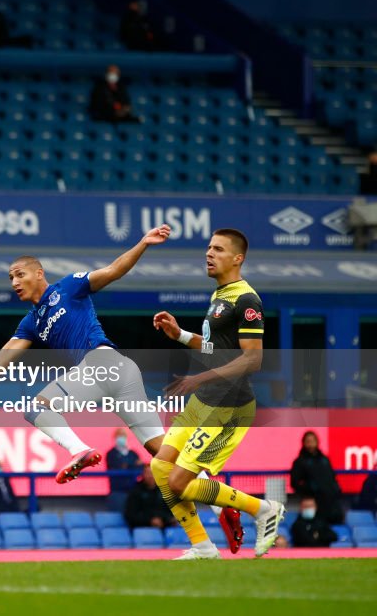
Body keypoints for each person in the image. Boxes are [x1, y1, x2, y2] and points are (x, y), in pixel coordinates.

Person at [0, 225, 172, 484]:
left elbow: (113, 271)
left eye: (20, 275)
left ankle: (79, 450)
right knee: (164, 452)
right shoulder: (30, 324)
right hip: (117, 374)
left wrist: (143, 243)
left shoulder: (68, 286)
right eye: (11, 278)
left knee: (35, 408)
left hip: (104, 364)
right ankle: (220, 500)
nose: (15, 283)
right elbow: (0, 363)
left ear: (39, 273)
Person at [151, 228, 285, 560]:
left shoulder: (247, 300)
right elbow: (215, 348)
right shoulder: (220, 296)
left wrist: (201, 378)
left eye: (219, 249)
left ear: (237, 258)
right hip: (205, 398)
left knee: (180, 481)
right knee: (159, 468)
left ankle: (264, 508)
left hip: (228, 403)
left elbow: (253, 359)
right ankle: (203, 547)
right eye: (209, 248)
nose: (209, 254)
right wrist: (179, 334)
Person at [291, 430, 344, 524]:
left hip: (331, 502)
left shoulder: (324, 460)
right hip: (314, 504)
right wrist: (309, 492)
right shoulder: (300, 462)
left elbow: (332, 477)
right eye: (308, 441)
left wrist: (336, 489)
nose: (311, 444)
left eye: (313, 441)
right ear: (304, 443)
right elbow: (295, 483)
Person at [124, 463, 174, 530]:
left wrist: (165, 520)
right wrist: (150, 521)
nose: (151, 476)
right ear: (143, 475)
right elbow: (131, 515)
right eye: (148, 473)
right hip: (142, 530)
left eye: (153, 473)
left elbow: (171, 512)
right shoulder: (135, 492)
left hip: (165, 528)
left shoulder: (164, 491)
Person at [106, 427, 142, 511]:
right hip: (117, 491)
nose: (121, 437)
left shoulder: (133, 453)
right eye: (119, 435)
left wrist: (128, 465)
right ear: (115, 437)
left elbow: (140, 467)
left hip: (133, 491)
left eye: (123, 435)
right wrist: (133, 464)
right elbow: (117, 466)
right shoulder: (111, 454)